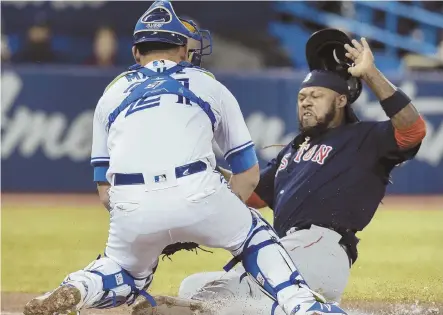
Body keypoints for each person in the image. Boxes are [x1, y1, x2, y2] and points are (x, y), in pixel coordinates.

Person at [23, 4, 347, 315]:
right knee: (253, 237)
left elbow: (105, 191)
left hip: (132, 204)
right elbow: (247, 175)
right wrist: (210, 216)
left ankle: (79, 286)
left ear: (136, 52)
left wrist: (155, 225)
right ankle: (301, 304)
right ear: (182, 50)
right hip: (198, 191)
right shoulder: (207, 83)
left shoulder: (112, 92)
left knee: (126, 272)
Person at [143, 29, 427, 315]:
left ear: (341, 101)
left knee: (228, 299)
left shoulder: (363, 138)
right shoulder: (294, 149)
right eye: (302, 96)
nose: (305, 101)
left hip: (320, 246)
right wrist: (197, 166)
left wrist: (371, 75)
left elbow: (413, 130)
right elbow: (252, 193)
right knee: (195, 288)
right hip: (283, 248)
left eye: (316, 95)